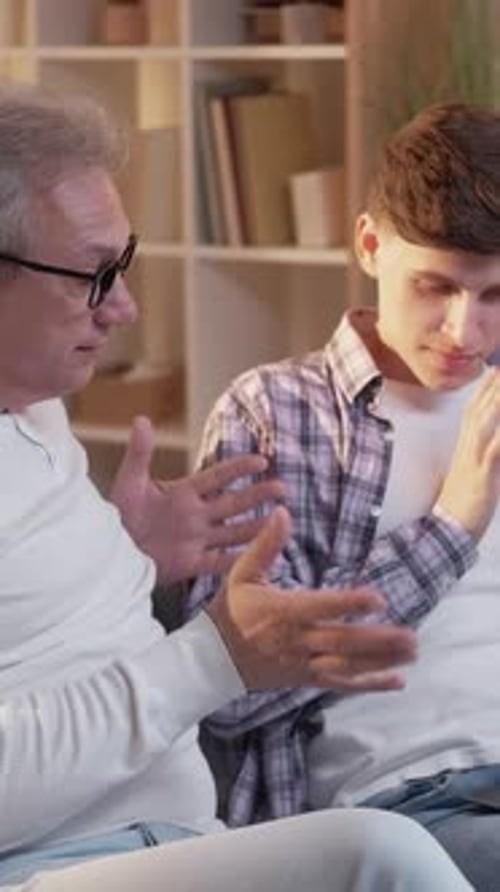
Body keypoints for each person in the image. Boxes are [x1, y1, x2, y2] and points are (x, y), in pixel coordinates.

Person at [0, 80, 473, 892]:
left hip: (176, 837)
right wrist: (214, 656)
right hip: (51, 865)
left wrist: (130, 562)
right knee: (381, 855)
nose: (126, 308)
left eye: (124, 264)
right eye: (92, 275)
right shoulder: (278, 409)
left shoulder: (36, 411)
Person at [189, 102, 500, 890]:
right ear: (370, 244)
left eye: (496, 296)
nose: (465, 331)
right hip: (404, 801)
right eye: (436, 287)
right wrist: (450, 530)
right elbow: (229, 697)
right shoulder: (273, 414)